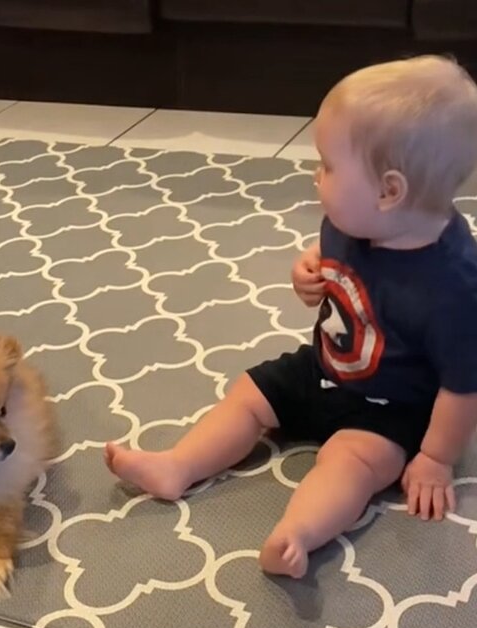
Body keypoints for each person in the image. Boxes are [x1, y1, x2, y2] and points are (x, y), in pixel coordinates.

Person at [105, 55, 477, 578]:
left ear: (388, 191)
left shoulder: (455, 286)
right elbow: (335, 269)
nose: (314, 174)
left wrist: (436, 459)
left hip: (394, 408)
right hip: (324, 369)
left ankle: (298, 533)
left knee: (349, 462)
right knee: (248, 396)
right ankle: (178, 466)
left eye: (327, 164)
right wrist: (309, 271)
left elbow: (463, 388)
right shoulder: (352, 220)